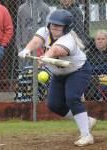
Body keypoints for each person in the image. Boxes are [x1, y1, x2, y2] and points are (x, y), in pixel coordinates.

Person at [18, 9, 97, 146]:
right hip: (59, 74)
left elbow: (56, 50)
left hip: (78, 71)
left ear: (66, 28)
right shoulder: (45, 31)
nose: (54, 27)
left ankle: (86, 135)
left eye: (59, 25)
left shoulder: (68, 40)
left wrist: (46, 57)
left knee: (72, 97)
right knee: (54, 105)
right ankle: (87, 120)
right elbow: (36, 40)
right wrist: (27, 49)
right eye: (52, 24)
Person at [16, 0, 50, 68]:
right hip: (25, 45)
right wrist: (19, 46)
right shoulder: (22, 8)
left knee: (41, 70)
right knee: (25, 71)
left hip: (41, 47)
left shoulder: (45, 7)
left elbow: (48, 28)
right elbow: (19, 29)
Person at [85, 30, 107, 100]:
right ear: (95, 41)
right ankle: (93, 96)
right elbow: (85, 67)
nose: (100, 41)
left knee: (100, 86)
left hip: (104, 77)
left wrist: (93, 69)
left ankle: (93, 96)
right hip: (92, 77)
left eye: (103, 39)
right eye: (98, 39)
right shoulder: (89, 53)